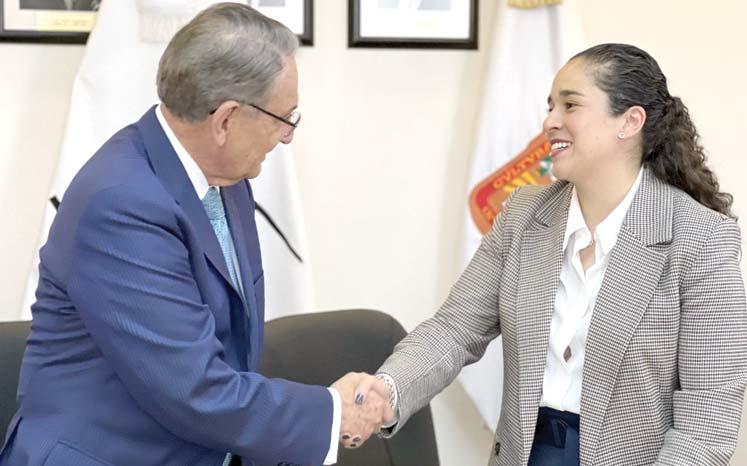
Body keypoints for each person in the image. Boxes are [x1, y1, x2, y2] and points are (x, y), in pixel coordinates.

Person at [0, 4, 390, 466]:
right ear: (226, 120)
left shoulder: (226, 178)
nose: (287, 137)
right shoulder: (122, 203)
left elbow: (229, 352)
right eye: (284, 118)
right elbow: (194, 390)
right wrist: (333, 412)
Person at [352, 43, 747, 465]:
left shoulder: (702, 240)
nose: (549, 122)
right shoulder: (523, 213)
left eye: (570, 105)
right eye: (550, 106)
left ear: (630, 121)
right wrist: (387, 390)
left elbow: (706, 425)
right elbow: (454, 329)